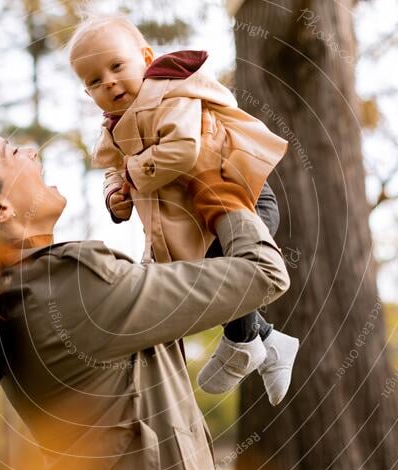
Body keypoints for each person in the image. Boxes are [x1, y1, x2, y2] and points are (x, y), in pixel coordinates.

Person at [0, 112, 290, 470]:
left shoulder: (18, 302)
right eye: (10, 152)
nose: (31, 151)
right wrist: (218, 189)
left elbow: (155, 302)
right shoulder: (70, 286)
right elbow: (263, 272)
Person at [68, 14, 299, 406]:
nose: (107, 81)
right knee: (209, 274)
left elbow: (183, 149)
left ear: (145, 57)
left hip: (243, 198)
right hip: (196, 220)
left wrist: (133, 173)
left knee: (229, 266)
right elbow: (111, 168)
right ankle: (267, 342)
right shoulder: (112, 128)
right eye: (93, 80)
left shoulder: (171, 94)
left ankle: (241, 341)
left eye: (117, 66)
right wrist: (115, 197)